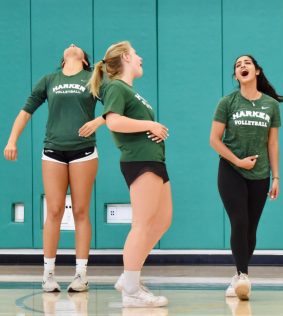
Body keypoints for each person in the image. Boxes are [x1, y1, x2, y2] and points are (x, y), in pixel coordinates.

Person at [4, 44, 104, 293]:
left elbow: (115, 106)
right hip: (53, 151)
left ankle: (81, 275)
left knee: (81, 211)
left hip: (84, 151)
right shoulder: (50, 79)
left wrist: (99, 120)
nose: (72, 45)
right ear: (62, 61)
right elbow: (26, 112)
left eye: (77, 47)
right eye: (68, 47)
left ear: (84, 61)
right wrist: (11, 140)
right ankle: (48, 274)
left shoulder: (93, 78)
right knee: (55, 210)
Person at [88, 41, 171, 308]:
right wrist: (151, 124)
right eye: (136, 54)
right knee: (142, 224)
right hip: (140, 161)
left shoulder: (130, 91)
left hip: (155, 160)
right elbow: (113, 121)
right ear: (125, 57)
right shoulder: (115, 87)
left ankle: (128, 277)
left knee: (162, 221)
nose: (140, 57)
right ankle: (132, 292)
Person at [210, 55, 283, 300]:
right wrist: (237, 161)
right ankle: (243, 276)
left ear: (257, 71)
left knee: (251, 228)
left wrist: (276, 177)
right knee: (239, 221)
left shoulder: (271, 105)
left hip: (260, 174)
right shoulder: (227, 102)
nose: (242, 66)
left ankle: (238, 277)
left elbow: (272, 143)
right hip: (231, 169)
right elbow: (214, 140)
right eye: (238, 65)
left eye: (247, 63)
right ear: (236, 75)